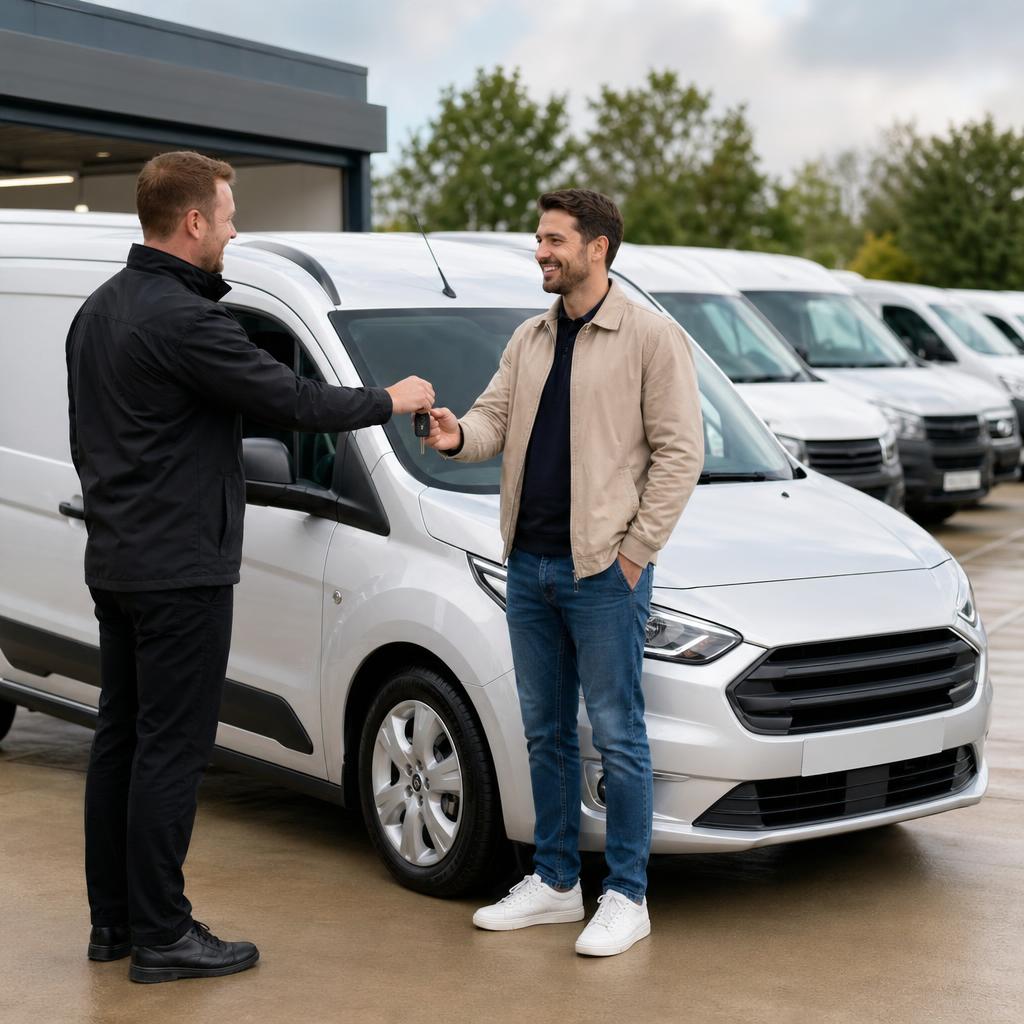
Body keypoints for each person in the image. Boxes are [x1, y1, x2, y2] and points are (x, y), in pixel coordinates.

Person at [67, 150, 434, 983]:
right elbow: (295, 401)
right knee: (170, 750)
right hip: (180, 572)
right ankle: (163, 936)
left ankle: (114, 925)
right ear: (193, 221)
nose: (235, 230)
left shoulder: (97, 311)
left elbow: (95, 437)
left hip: (118, 561)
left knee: (120, 741)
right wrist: (394, 399)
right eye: (228, 216)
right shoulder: (185, 321)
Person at [426, 189, 703, 957]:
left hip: (603, 576)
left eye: (554, 240)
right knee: (544, 731)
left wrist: (634, 554)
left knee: (618, 737)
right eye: (539, 239)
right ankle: (552, 883)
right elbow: (492, 421)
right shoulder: (530, 339)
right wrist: (455, 436)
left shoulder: (651, 337)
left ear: (598, 248)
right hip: (530, 567)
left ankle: (627, 895)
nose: (541, 252)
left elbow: (682, 455)